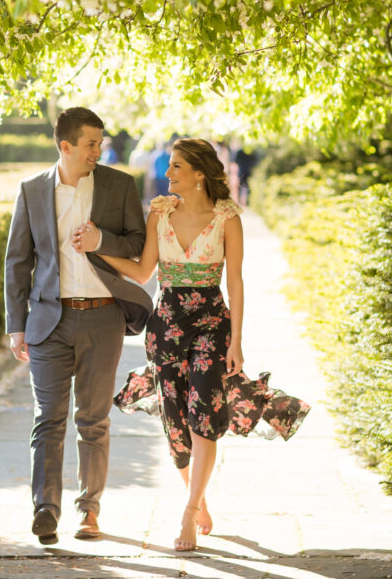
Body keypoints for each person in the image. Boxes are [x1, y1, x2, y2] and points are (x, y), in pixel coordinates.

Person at [74, 137, 310, 552]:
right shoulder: (160, 212)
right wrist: (98, 248)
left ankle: (187, 511)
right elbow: (145, 270)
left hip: (211, 325)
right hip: (165, 327)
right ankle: (197, 497)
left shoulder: (227, 218)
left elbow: (234, 282)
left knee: (204, 414)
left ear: (200, 173)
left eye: (177, 166)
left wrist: (237, 341)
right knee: (176, 422)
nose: (167, 173)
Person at [5, 106, 152, 544]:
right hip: (48, 320)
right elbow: (18, 262)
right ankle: (45, 509)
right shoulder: (31, 191)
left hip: (103, 316)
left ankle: (89, 511)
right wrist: (17, 325)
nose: (98, 151)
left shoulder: (118, 184)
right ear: (65, 146)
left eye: (100, 143)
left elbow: (139, 243)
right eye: (90, 143)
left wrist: (100, 240)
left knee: (93, 419)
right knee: (47, 419)